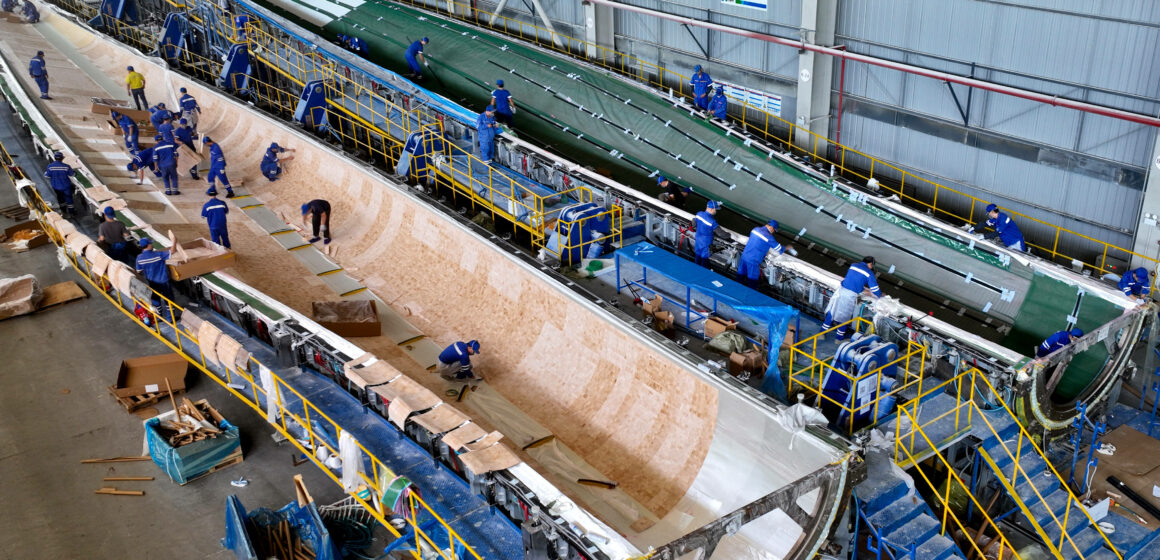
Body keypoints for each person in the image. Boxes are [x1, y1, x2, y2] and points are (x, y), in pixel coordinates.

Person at [822, 257, 883, 340]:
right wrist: (880, 296)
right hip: (849, 296)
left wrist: (862, 289)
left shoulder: (853, 265)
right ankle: (839, 338)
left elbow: (852, 280)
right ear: (870, 264)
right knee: (844, 316)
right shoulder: (869, 273)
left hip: (841, 290)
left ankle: (821, 333)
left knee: (832, 311)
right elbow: (875, 289)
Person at [736, 219, 787, 288]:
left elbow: (756, 242)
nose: (773, 232)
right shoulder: (769, 237)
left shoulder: (755, 229)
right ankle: (750, 295)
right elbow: (779, 249)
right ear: (771, 227)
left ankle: (736, 289)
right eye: (774, 230)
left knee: (740, 276)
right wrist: (788, 248)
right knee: (753, 281)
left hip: (744, 256)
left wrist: (765, 249)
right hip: (753, 261)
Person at [135, 238, 177, 320]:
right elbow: (172, 251)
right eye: (151, 244)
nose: (152, 245)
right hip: (163, 281)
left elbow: (139, 270)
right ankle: (170, 318)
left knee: (155, 299)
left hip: (152, 282)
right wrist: (174, 241)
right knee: (169, 299)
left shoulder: (139, 258)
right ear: (148, 245)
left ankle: (158, 317)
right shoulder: (158, 255)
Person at [44, 152, 76, 216]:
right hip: (66, 186)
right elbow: (72, 175)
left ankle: (64, 211)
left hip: (56, 186)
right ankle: (72, 212)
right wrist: (75, 172)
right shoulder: (66, 167)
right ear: (62, 158)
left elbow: (46, 176)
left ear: (55, 158)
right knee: (69, 198)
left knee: (60, 198)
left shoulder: (50, 167)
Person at [693, 200, 719, 267]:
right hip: (706, 244)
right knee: (704, 259)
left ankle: (695, 269)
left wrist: (697, 228)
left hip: (698, 239)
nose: (716, 211)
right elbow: (722, 234)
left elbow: (694, 222)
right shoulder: (712, 222)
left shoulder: (699, 214)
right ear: (711, 209)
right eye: (715, 209)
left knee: (697, 256)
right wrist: (730, 235)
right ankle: (703, 273)